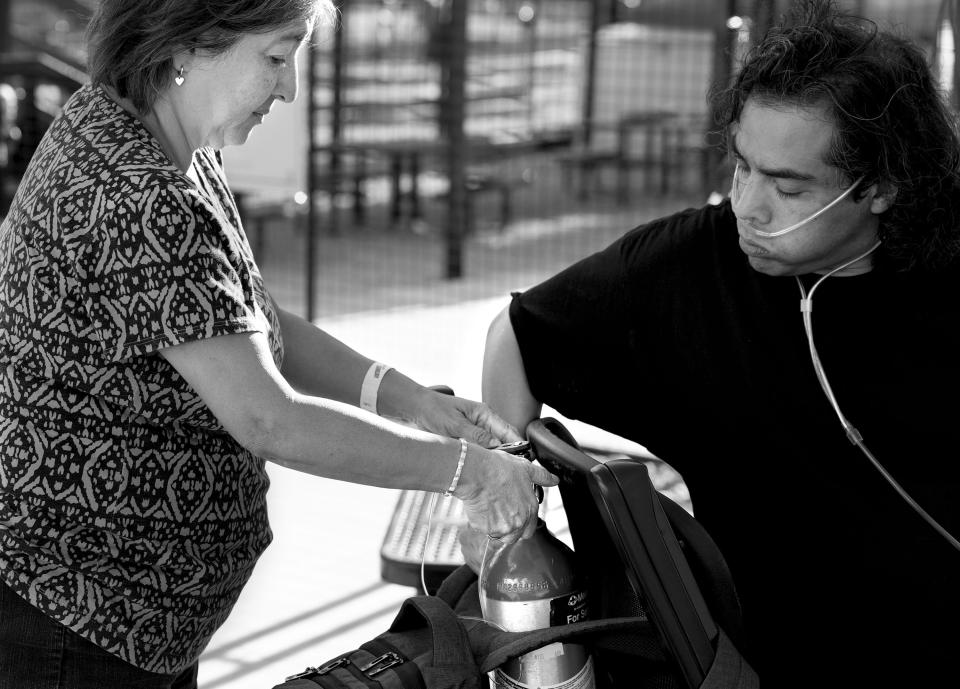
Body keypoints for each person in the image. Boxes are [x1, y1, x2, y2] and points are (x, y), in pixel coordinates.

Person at [0, 1, 557, 687]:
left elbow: (246, 320)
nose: (289, 87)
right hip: (80, 618)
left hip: (123, 614)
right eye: (275, 56)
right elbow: (270, 418)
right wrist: (467, 470)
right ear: (188, 45)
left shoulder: (153, 136)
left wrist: (409, 400)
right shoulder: (140, 195)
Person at [476, 0, 960, 685]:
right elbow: (516, 336)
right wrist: (510, 523)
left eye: (789, 188)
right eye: (742, 168)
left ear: (881, 186)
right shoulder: (694, 266)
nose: (748, 206)